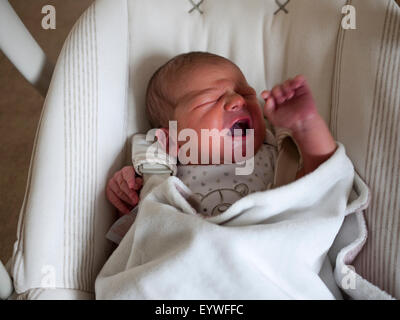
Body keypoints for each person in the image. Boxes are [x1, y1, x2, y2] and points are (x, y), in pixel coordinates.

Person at [106, 51, 337, 217]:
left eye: (246, 94)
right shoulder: (164, 174)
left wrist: (305, 124)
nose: (238, 100)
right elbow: (142, 236)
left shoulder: (274, 157)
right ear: (172, 139)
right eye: (210, 100)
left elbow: (323, 180)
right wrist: (129, 192)